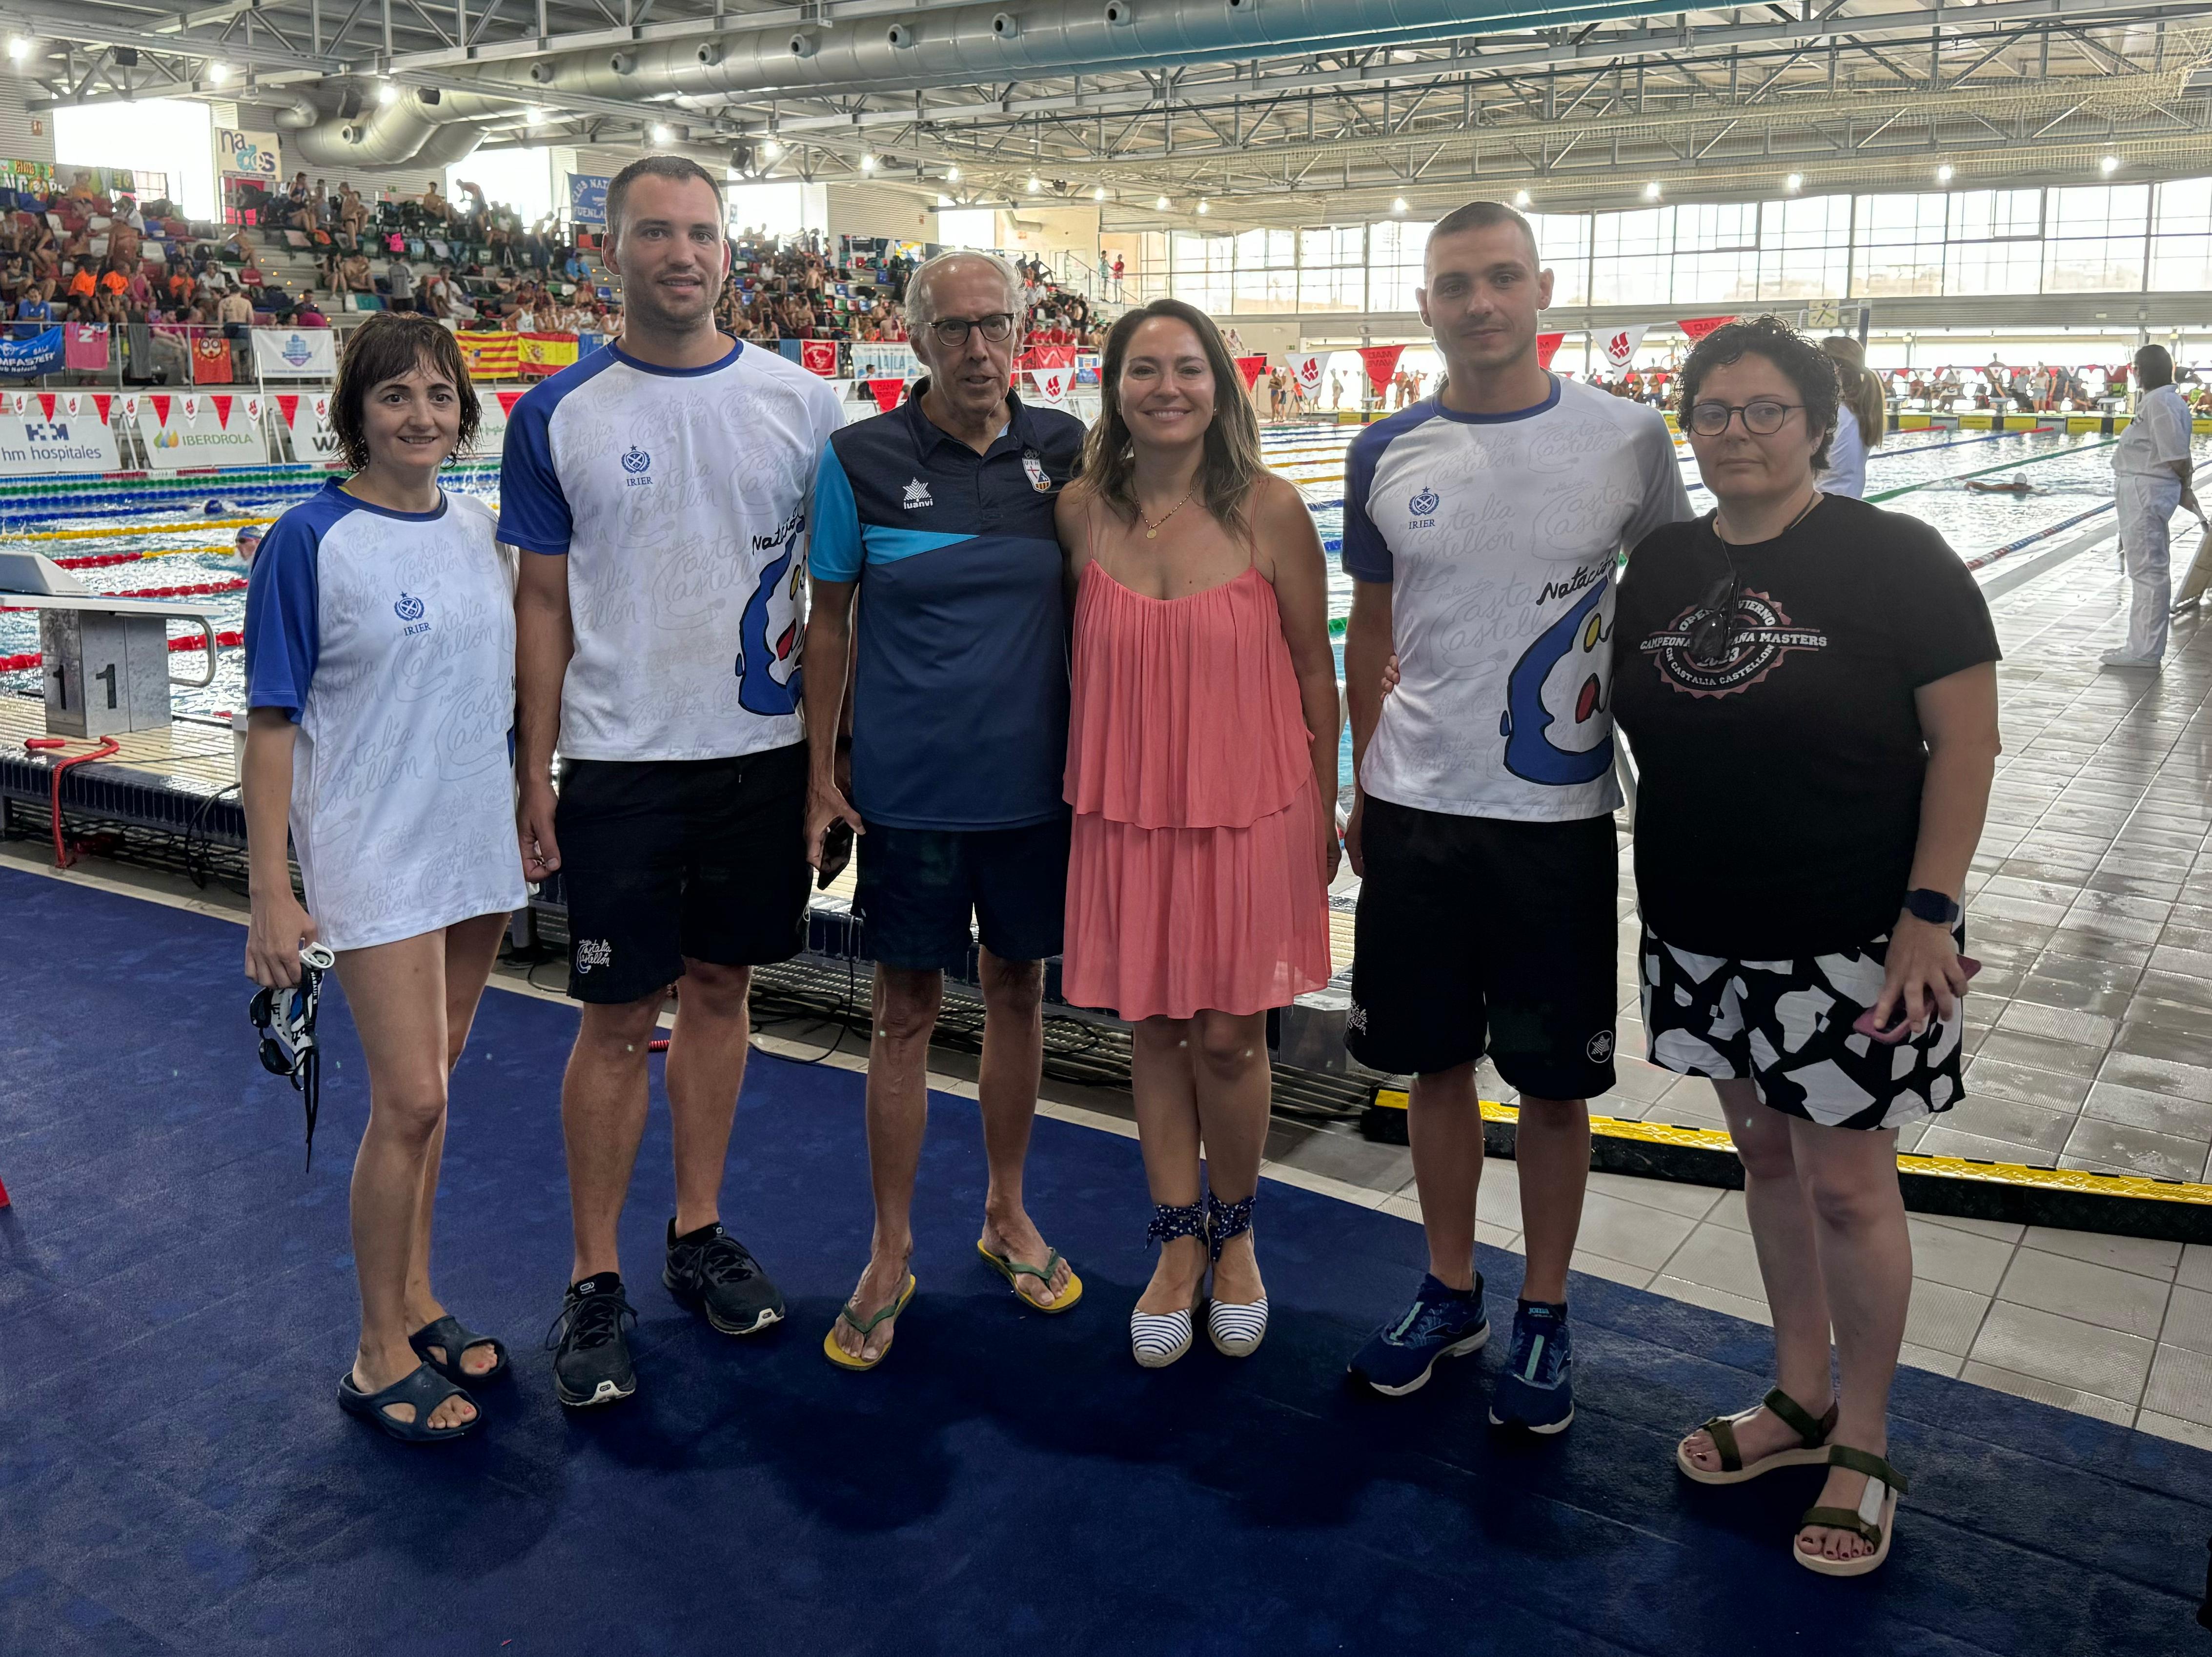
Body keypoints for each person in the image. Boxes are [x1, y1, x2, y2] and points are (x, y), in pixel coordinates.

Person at [1611, 315, 2001, 1576]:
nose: (1734, 431)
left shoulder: (1896, 557)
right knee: (1765, 1162)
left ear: (1818, 421)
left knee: (1845, 1182)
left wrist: (1926, 917)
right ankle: (1792, 1397)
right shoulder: (1662, 565)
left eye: (1762, 409)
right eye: (1712, 411)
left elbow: (1967, 744)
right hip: (1700, 926)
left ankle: (1866, 1434)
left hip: (1848, 938)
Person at [1338, 199, 1691, 1422]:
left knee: (1553, 1085)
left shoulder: (1629, 438)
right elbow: (1371, 626)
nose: (1478, 303)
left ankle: (1543, 1309)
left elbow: (1678, 594)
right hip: (1415, 808)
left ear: (1543, 288)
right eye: (1453, 285)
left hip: (1555, 822)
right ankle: (1449, 1289)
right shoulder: (1382, 449)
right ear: (1424, 305)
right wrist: (1360, 772)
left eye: (1499, 279)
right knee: (1432, 1067)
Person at [504, 154, 845, 1409]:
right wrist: (531, 765)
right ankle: (595, 1278)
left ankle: (695, 1233)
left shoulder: (804, 405)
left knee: (721, 991)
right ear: (612, 252)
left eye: (701, 232)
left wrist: (827, 769)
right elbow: (540, 602)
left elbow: (839, 604)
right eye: (656, 232)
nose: (681, 253)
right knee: (610, 1023)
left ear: (727, 252)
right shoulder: (557, 414)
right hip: (619, 763)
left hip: (756, 764)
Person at [803, 250, 1089, 1371]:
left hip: (1031, 792)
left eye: (996, 327)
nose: (979, 350)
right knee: (901, 1017)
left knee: (1018, 994)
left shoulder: (1061, 450)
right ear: (914, 340)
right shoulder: (858, 460)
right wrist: (822, 769)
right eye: (955, 330)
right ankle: (887, 1249)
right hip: (909, 796)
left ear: (1021, 334)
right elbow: (828, 622)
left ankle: (1005, 1210)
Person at [241, 313, 524, 1442]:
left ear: (463, 412)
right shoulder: (307, 542)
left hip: (471, 846)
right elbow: (270, 728)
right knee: (406, 1100)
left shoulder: (478, 529)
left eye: (439, 396)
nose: (420, 416)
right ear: (354, 410)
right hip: (372, 854)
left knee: (435, 1093)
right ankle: (372, 1355)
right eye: (395, 395)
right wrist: (273, 889)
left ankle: (413, 1302)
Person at [1055, 298, 1338, 1369]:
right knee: (1156, 1028)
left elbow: (1317, 667)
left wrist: (1320, 809)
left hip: (1252, 806)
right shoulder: (1080, 510)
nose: (1165, 387)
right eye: (1142, 369)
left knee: (1228, 1033)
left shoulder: (1269, 508)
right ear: (1115, 388)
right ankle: (1176, 1245)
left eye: (1186, 367)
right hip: (1129, 806)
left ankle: (1239, 1232)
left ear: (1219, 384)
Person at [2104, 344, 2199, 670]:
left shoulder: (2160, 402)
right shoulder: (2160, 400)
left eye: (2134, 367)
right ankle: (2140, 645)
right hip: (2144, 489)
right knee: (2145, 571)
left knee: (2148, 573)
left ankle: (2144, 652)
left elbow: (2175, 456)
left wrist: (2185, 489)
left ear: (2140, 370)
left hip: (2145, 492)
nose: (2133, 372)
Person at [1816, 336, 1885, 498]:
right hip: (1851, 506)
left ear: (1835, 369)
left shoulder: (1834, 415)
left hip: (1822, 510)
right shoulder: (1859, 412)